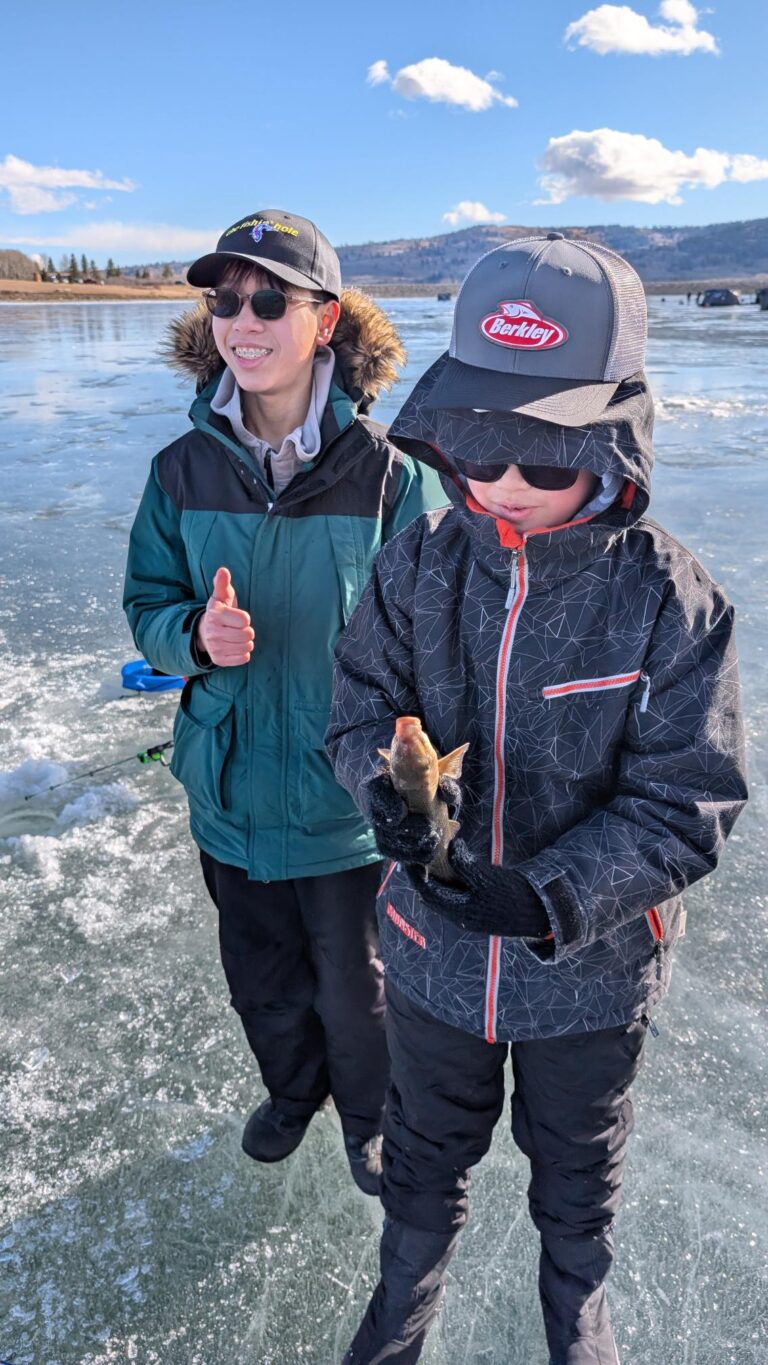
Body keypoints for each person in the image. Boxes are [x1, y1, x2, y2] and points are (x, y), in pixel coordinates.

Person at [326, 234, 748, 1359]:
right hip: (428, 961)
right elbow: (360, 709)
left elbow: (690, 799)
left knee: (577, 1177)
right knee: (423, 1166)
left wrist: (551, 897)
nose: (502, 486)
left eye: (542, 459)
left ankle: (578, 1313)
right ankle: (400, 1308)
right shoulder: (416, 564)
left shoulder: (674, 602)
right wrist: (384, 786)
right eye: (478, 451)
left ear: (610, 447)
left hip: (593, 983)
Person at [123, 209, 445, 1196]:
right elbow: (148, 604)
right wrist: (194, 641)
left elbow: (436, 642)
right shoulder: (178, 471)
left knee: (362, 997)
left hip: (343, 808)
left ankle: (369, 1121)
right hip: (228, 794)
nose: (243, 319)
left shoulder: (393, 476)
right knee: (261, 985)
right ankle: (290, 1093)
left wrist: (420, 774)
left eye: (271, 298)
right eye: (226, 299)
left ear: (326, 318)